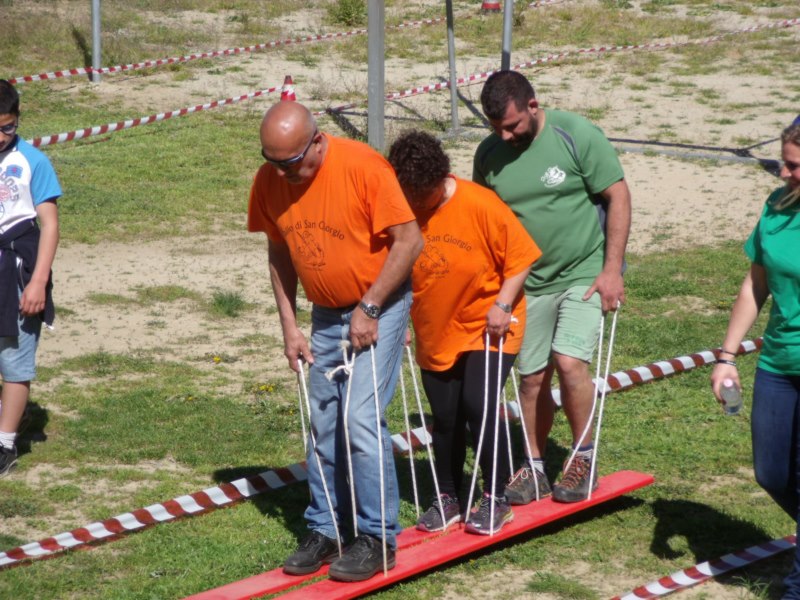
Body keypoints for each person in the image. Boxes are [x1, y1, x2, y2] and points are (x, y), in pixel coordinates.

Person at [247, 101, 422, 582]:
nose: (283, 174)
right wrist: (290, 326)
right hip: (325, 314)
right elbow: (278, 252)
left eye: (291, 163)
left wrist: (369, 307)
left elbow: (410, 241)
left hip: (380, 305)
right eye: (272, 162)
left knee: (361, 419)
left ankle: (378, 538)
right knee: (323, 422)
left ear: (317, 141)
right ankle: (326, 529)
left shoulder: (364, 166)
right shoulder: (270, 181)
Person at [473, 70, 631, 504]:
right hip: (530, 283)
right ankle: (536, 467)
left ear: (533, 106)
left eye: (512, 125)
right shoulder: (488, 156)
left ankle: (582, 458)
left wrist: (611, 270)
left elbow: (618, 195)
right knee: (530, 379)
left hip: (584, 270)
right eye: (496, 128)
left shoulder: (575, 134)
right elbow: (485, 224)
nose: (505, 136)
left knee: (569, 361)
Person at [387, 131, 541, 535]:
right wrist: (396, 316)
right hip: (436, 328)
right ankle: (450, 497)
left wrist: (503, 304)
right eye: (411, 195)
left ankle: (496, 497)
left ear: (443, 177)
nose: (417, 204)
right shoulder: (399, 209)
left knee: (479, 404)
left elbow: (521, 258)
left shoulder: (480, 204)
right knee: (447, 416)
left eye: (424, 195)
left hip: (488, 323)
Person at [711, 123, 800, 599]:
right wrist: (726, 356)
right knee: (772, 473)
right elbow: (755, 284)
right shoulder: (776, 206)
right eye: (784, 162)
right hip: (779, 362)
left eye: (794, 166)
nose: (783, 171)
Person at [0, 80, 61, 478]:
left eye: (7, 127)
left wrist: (37, 281)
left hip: (16, 271)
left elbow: (50, 225)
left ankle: (4, 443)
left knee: (15, 361)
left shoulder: (32, 161)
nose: (0, 136)